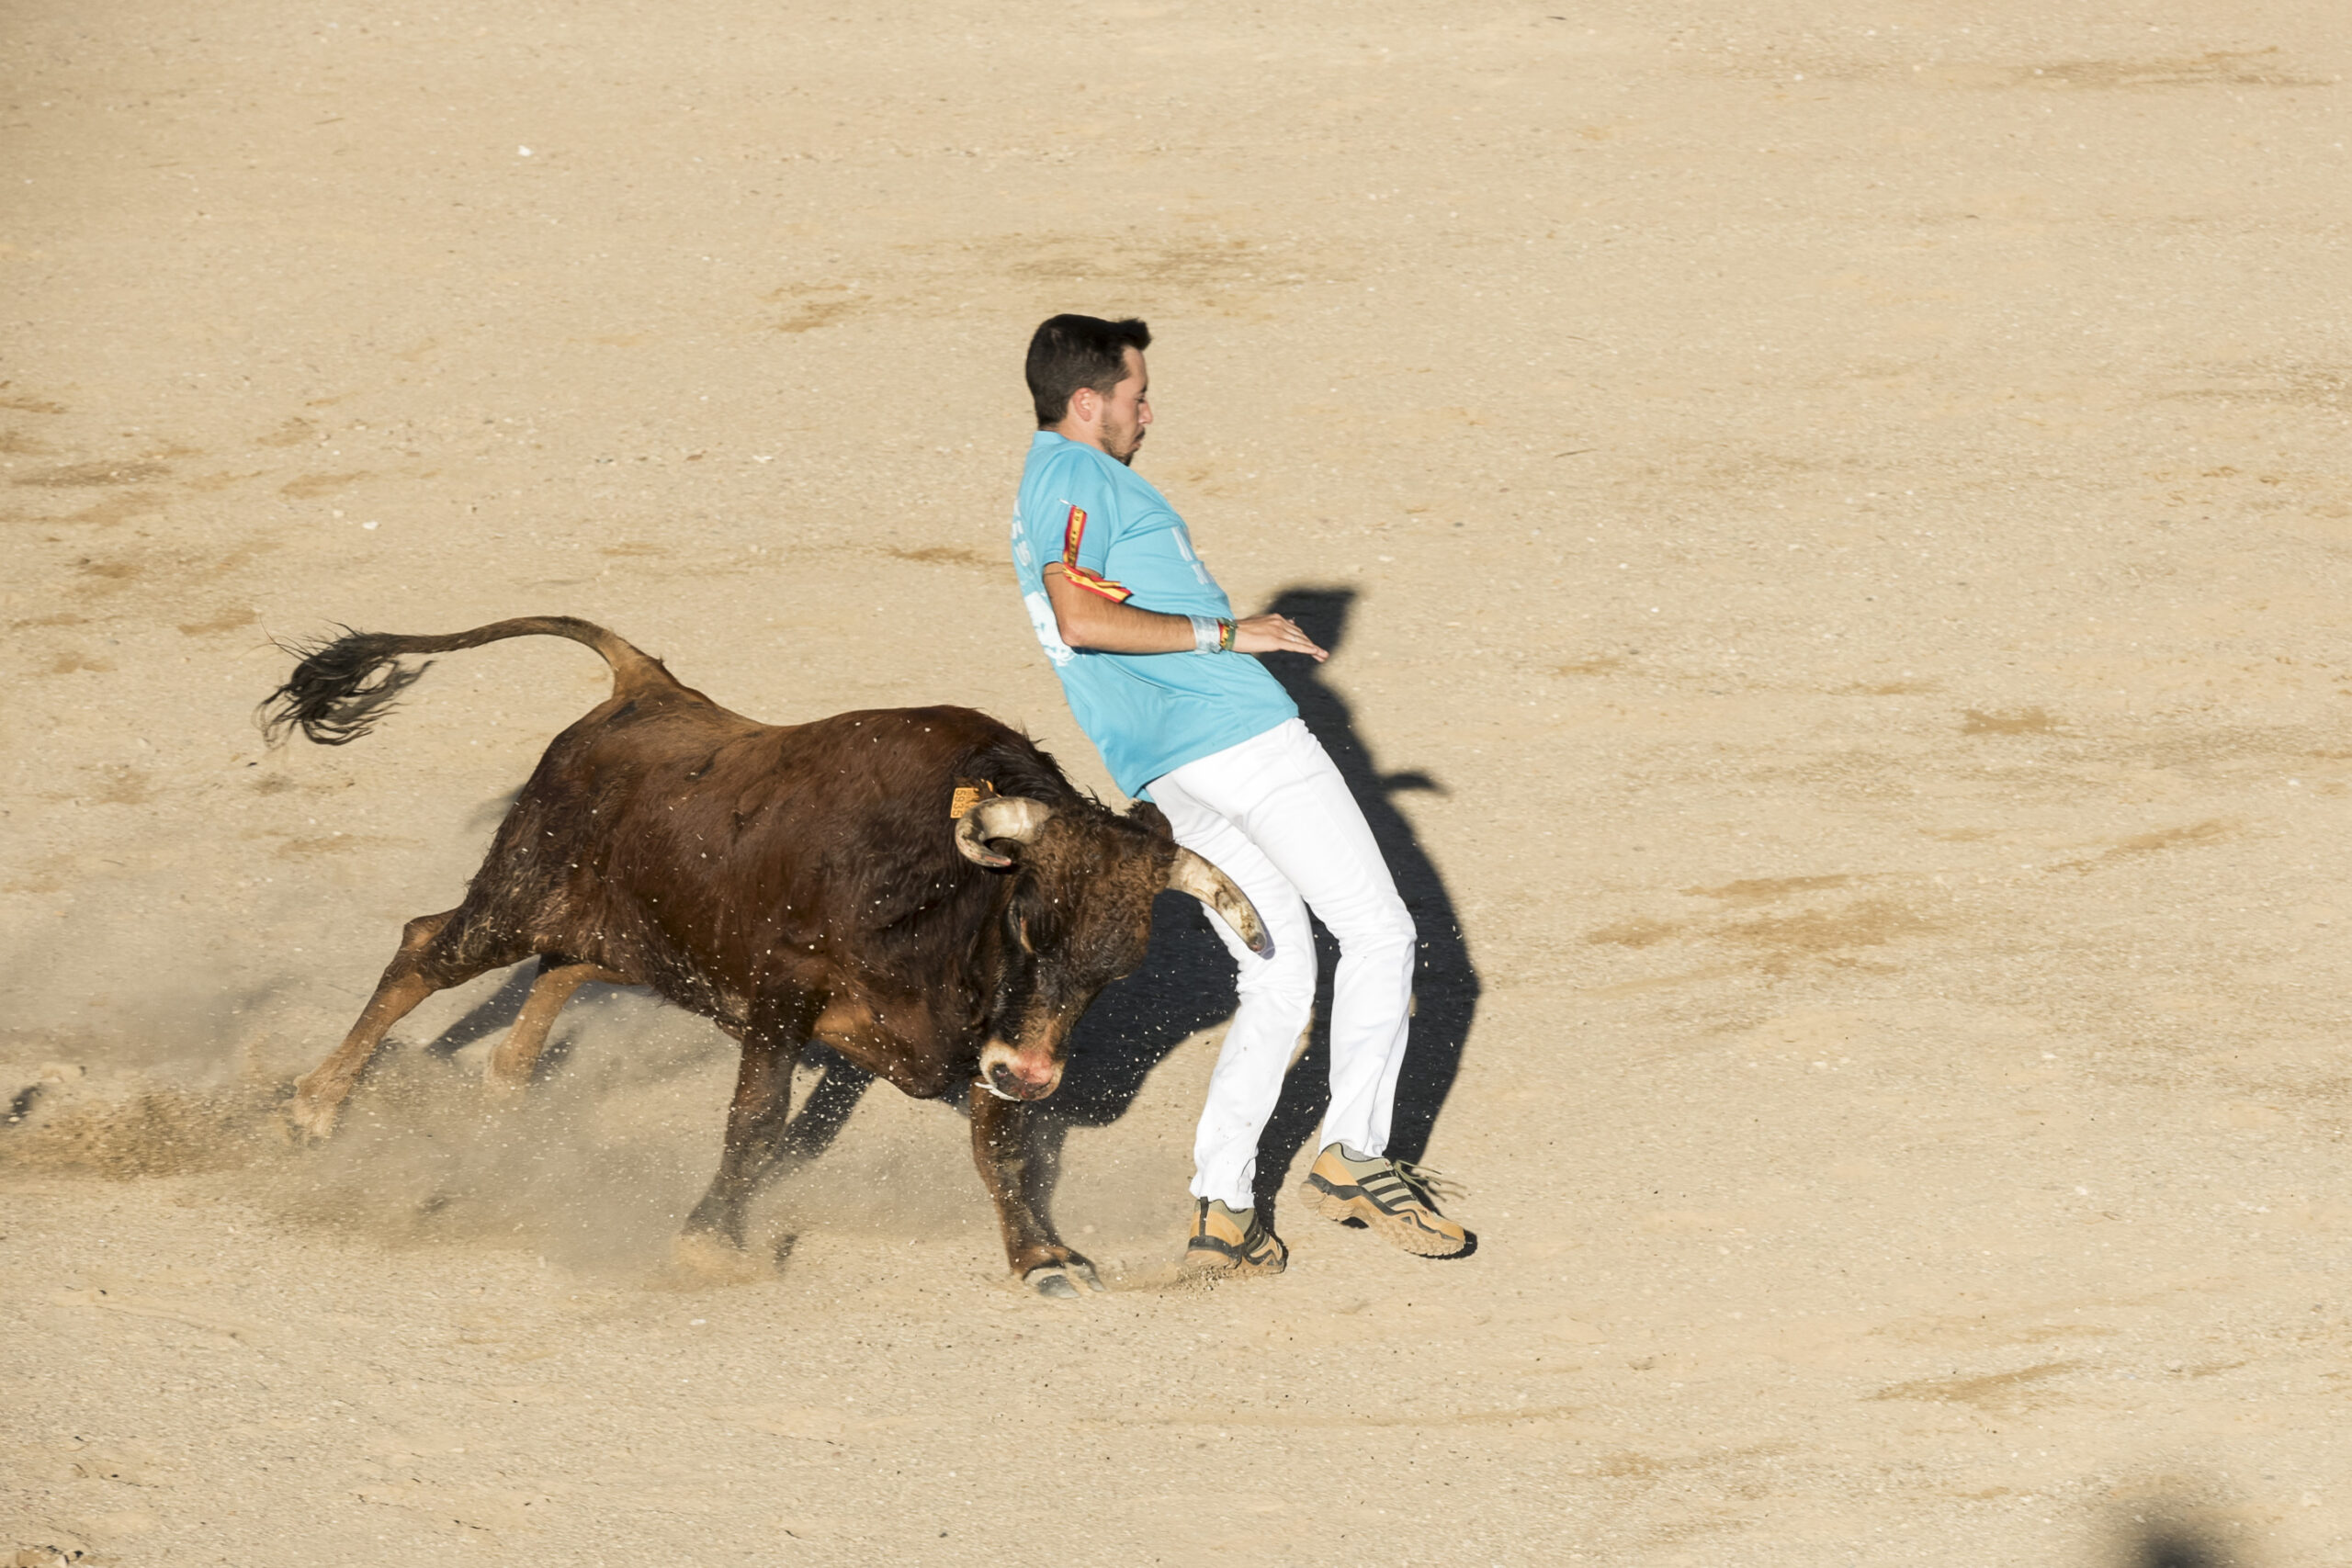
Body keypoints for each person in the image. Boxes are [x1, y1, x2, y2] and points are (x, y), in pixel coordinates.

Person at [1008, 313, 1473, 1274]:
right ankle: (1355, 1155)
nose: (1148, 412)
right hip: (1240, 740)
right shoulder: (1079, 474)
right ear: (1086, 403)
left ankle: (1221, 1208)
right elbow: (1081, 618)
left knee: (1280, 973)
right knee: (1381, 931)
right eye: (1136, 396)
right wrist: (1232, 635)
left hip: (1168, 772)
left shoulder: (1048, 486)